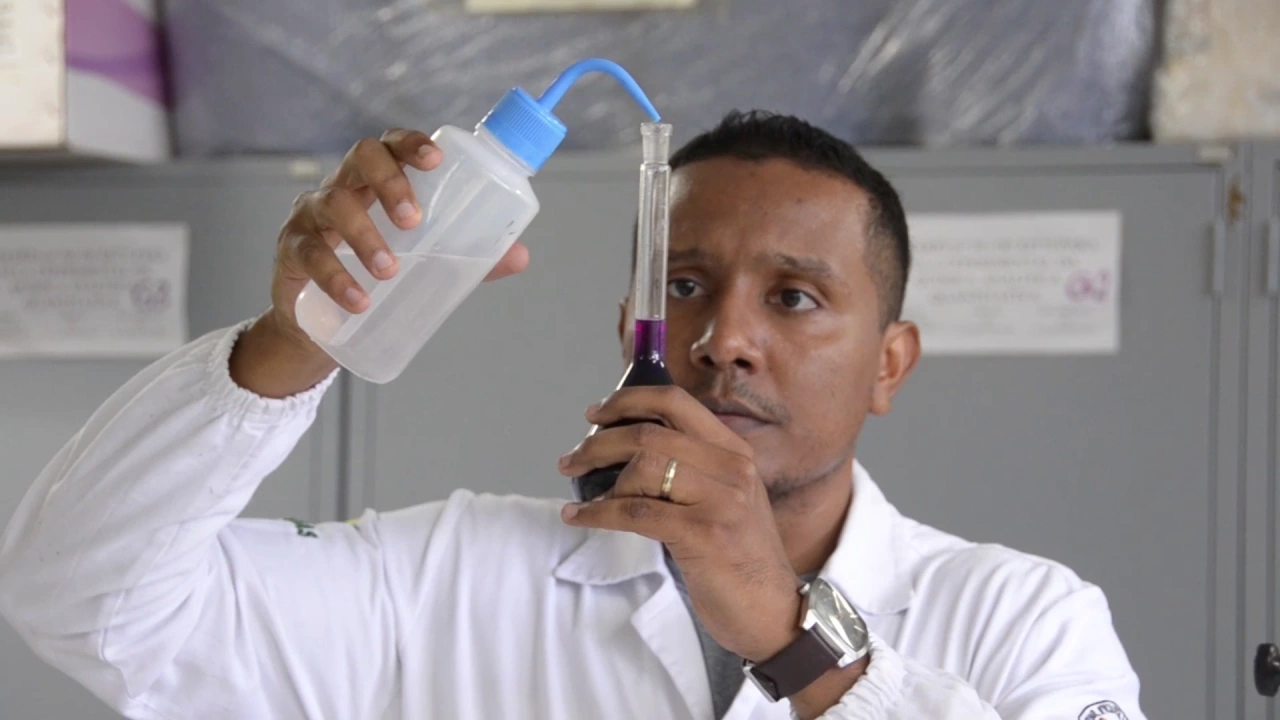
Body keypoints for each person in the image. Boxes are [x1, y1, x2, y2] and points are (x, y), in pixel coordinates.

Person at [0, 111, 1145, 720]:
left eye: (793, 298)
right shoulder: (448, 583)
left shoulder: (1018, 619)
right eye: (684, 284)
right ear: (632, 325)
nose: (723, 339)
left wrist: (788, 635)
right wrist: (296, 339)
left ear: (889, 364)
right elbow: (84, 602)